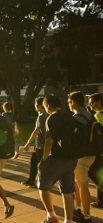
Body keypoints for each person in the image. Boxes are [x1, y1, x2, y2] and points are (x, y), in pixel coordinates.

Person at [38, 94, 78, 223]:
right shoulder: (70, 116)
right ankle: (69, 220)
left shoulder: (52, 118)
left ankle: (51, 216)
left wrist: (44, 159)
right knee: (67, 191)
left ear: (48, 105)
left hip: (57, 158)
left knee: (42, 185)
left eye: (45, 107)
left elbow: (49, 140)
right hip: (72, 158)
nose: (46, 110)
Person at [67, 91, 96, 223]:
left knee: (82, 185)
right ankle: (77, 210)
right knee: (78, 183)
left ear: (73, 102)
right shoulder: (90, 114)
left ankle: (87, 216)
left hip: (81, 156)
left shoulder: (76, 118)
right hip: (92, 153)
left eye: (69, 102)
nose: (68, 104)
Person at [20, 97, 48, 187]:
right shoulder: (47, 115)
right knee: (33, 162)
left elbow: (35, 131)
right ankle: (31, 180)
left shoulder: (42, 116)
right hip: (39, 145)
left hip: (41, 145)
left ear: (40, 106)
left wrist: (27, 144)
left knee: (40, 166)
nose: (35, 107)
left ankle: (41, 183)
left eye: (35, 105)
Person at [88, 93, 103, 209]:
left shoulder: (98, 116)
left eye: (91, 102)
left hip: (100, 152)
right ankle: (100, 201)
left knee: (93, 173)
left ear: (98, 102)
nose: (89, 104)